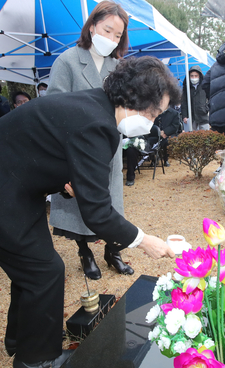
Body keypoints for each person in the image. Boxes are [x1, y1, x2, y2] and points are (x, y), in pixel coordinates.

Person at [0, 56, 178, 368]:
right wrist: (145, 241)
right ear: (134, 97)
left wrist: (73, 185)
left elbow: (50, 151)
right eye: (155, 112)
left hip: (8, 186)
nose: (154, 121)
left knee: (34, 269)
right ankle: (36, 360)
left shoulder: (95, 106)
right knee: (44, 271)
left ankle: (21, 341)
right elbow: (99, 214)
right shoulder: (98, 123)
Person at [46, 1, 133, 278]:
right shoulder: (67, 61)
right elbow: (54, 109)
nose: (111, 39)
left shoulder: (118, 66)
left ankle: (113, 250)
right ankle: (84, 251)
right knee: (79, 200)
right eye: (107, 30)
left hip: (108, 147)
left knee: (111, 201)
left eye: (117, 36)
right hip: (78, 148)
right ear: (92, 26)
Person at [181, 65, 209, 131]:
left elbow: (210, 98)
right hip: (191, 117)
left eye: (196, 76)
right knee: (191, 138)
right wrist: (184, 116)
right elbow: (184, 102)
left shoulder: (205, 86)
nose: (194, 78)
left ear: (199, 76)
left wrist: (206, 108)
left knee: (205, 138)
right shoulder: (187, 88)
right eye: (192, 76)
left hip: (203, 117)